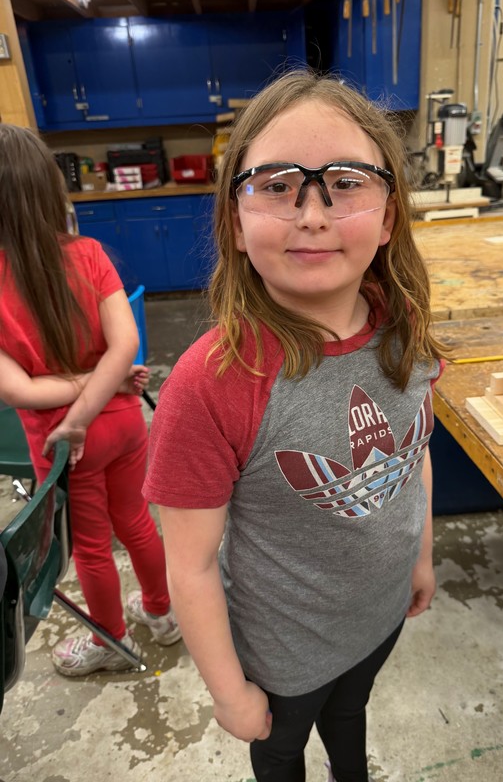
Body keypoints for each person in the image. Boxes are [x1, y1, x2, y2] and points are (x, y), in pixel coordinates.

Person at [143, 69, 447, 782]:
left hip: (376, 617)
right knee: (283, 752)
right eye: (277, 185)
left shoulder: (402, 329)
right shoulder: (213, 382)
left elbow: (415, 453)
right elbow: (187, 565)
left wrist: (422, 557)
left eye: (345, 182)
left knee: (352, 712)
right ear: (236, 224)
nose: (312, 212)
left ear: (389, 216)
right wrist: (229, 693)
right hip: (282, 653)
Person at [0, 123, 180, 677]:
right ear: (51, 190)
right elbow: (125, 346)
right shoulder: (91, 253)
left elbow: (18, 390)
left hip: (60, 444)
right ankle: (163, 614)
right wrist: (105, 377)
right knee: (138, 521)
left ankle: (110, 641)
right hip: (123, 419)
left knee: (94, 548)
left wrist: (73, 418)